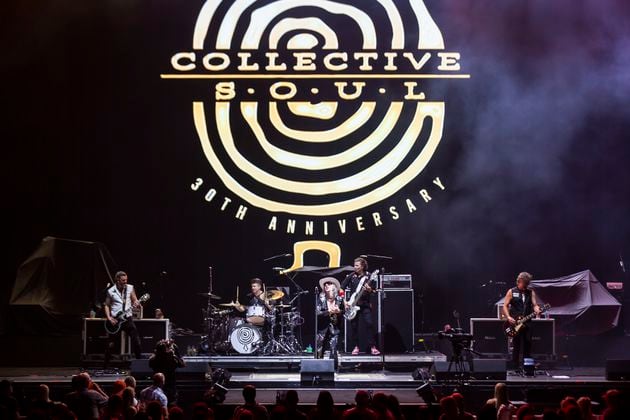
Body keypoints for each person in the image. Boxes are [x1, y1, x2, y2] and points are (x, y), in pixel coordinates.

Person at [341, 257, 380, 355]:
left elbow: (375, 291)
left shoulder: (369, 276)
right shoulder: (351, 276)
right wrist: (344, 301)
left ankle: (373, 347)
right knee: (354, 327)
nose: (355, 267)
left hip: (365, 305)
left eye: (357, 265)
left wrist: (369, 289)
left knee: (369, 324)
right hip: (353, 305)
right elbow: (341, 288)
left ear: (362, 266)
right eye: (354, 265)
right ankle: (356, 346)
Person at [502, 272, 541, 370]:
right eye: (524, 284)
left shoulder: (531, 292)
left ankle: (526, 366)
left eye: (527, 284)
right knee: (517, 344)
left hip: (527, 322)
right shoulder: (511, 291)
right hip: (515, 323)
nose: (525, 286)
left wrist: (536, 308)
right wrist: (508, 317)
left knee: (528, 344)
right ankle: (515, 366)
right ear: (519, 281)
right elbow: (505, 306)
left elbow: (535, 304)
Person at [103, 271, 143, 366]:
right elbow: (107, 305)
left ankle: (140, 364)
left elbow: (135, 300)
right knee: (111, 344)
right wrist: (109, 317)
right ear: (117, 280)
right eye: (123, 280)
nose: (125, 282)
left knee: (136, 340)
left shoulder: (130, 288)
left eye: (126, 280)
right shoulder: (111, 291)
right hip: (115, 320)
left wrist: (137, 303)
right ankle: (106, 365)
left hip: (127, 318)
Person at [149, 339, 186, 404]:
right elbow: (182, 364)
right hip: (170, 385)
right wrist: (175, 353)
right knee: (171, 402)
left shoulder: (153, 360)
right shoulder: (172, 359)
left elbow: (151, 362)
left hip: (158, 387)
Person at [316, 277, 344, 359]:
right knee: (319, 351)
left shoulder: (339, 299)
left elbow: (345, 312)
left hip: (334, 328)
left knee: (333, 350)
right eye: (325, 284)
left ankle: (334, 369)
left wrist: (339, 311)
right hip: (322, 328)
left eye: (329, 283)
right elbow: (317, 313)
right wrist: (329, 311)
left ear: (334, 286)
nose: (326, 285)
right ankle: (318, 369)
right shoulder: (321, 299)